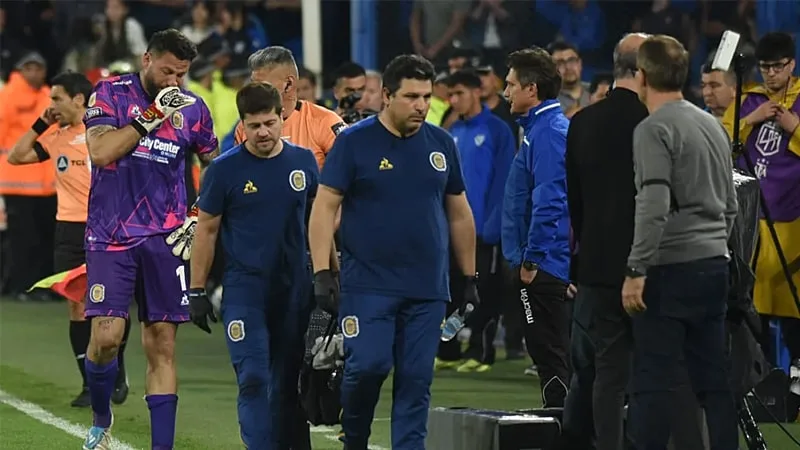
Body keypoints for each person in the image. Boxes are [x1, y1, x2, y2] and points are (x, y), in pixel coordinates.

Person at [307, 54, 479, 450]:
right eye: (411, 97)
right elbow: (324, 207)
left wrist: (470, 277)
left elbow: (459, 213)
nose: (422, 105)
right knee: (368, 367)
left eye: (427, 97)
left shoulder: (441, 143)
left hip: (427, 287)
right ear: (387, 95)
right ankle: (355, 438)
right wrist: (322, 271)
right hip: (367, 285)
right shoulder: (354, 142)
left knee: (417, 380)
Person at [562, 33, 706, 450]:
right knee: (671, 370)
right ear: (645, 69)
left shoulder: (582, 122)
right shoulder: (662, 122)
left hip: (599, 267)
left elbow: (576, 203)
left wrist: (587, 251)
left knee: (608, 373)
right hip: (657, 266)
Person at [80, 28, 218, 450]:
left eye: (181, 74)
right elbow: (101, 152)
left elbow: (213, 165)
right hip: (111, 235)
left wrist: (196, 214)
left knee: (162, 343)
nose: (174, 81)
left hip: (166, 238)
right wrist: (150, 116)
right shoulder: (110, 94)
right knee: (106, 338)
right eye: (167, 71)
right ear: (147, 60)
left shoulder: (193, 109)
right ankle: (101, 418)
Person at [186, 82, 322, 450]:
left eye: (269, 123)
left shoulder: (304, 162)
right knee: (253, 377)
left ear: (282, 118)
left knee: (290, 381)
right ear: (242, 124)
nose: (263, 132)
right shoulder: (223, 170)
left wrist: (329, 275)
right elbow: (206, 231)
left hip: (295, 289)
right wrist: (196, 289)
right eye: (254, 125)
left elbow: (320, 223)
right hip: (245, 290)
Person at [625, 34, 738, 449]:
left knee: (653, 379)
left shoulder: (652, 129)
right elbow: (731, 205)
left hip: (670, 268)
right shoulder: (711, 124)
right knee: (714, 381)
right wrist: (714, 247)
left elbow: (653, 203)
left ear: (642, 77)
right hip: (714, 264)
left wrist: (636, 268)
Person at [6, 71, 131, 408]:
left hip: (106, 227)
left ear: (78, 99)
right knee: (77, 307)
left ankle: (117, 369)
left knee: (110, 302)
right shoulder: (56, 138)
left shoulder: (104, 133)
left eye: (57, 98)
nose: (52, 105)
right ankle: (90, 383)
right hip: (69, 230)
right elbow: (16, 156)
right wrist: (40, 124)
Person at [722, 32, 800, 364]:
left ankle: (796, 384)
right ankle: (758, 381)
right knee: (752, 314)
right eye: (765, 67)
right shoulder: (748, 99)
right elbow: (718, 142)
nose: (771, 74)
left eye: (778, 67)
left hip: (792, 226)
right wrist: (749, 120)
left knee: (793, 315)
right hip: (750, 224)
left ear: (792, 65)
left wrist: (794, 126)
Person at [501, 47, 571, 408]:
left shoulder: (548, 133)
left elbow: (551, 201)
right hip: (543, 262)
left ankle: (564, 428)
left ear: (531, 89)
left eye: (511, 84)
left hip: (545, 265)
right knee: (549, 355)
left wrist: (532, 260)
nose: (505, 92)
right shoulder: (538, 130)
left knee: (552, 357)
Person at [436, 68, 515, 373]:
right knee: (453, 291)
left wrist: (493, 227)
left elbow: (504, 181)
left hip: (484, 229)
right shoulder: (452, 132)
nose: (454, 100)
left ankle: (481, 351)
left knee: (483, 293)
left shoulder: (497, 130)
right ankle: (449, 349)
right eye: (451, 95)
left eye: (460, 93)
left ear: (477, 92)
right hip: (452, 229)